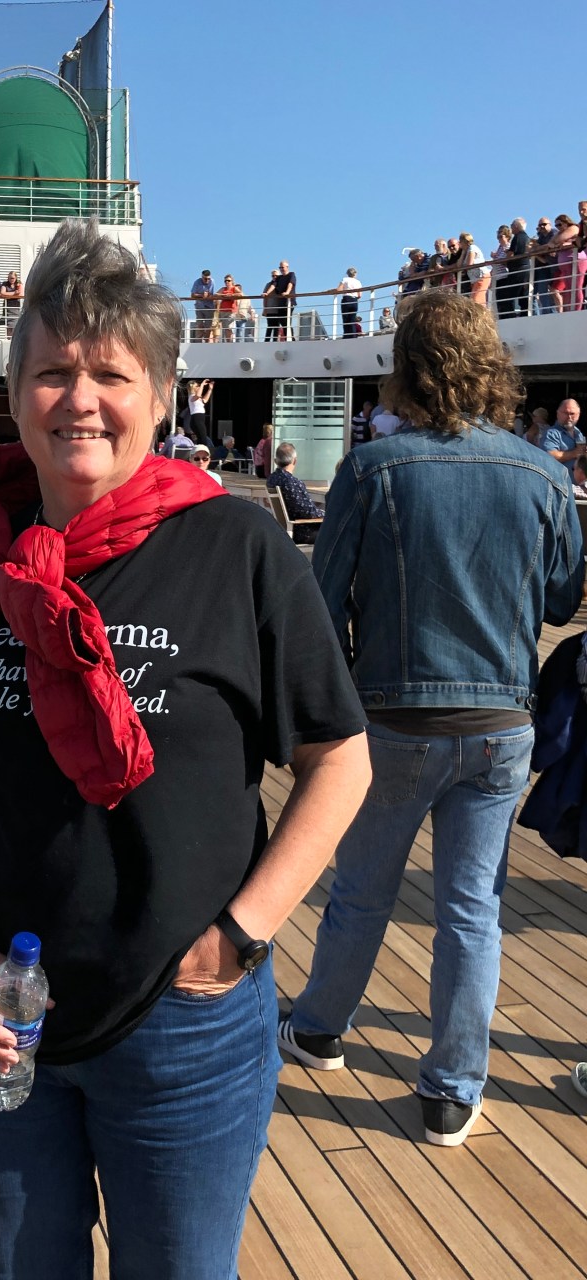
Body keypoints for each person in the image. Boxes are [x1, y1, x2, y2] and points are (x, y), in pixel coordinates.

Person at [0, 218, 371, 1280]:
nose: (80, 398)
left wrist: (239, 936)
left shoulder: (235, 546)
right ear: (15, 395)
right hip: (0, 1015)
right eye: (54, 371)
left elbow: (341, 757)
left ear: (163, 394)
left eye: (111, 373)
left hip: (183, 1025)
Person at [279, 289, 584, 1148]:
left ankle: (318, 1031)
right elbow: (560, 600)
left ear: (405, 371)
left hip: (392, 720)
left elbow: (321, 601)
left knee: (361, 890)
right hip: (501, 723)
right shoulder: (545, 474)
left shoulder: (373, 469)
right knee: (471, 910)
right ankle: (452, 1091)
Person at [266, 442, 325, 542]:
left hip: (284, 529)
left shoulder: (272, 479)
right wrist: (326, 514)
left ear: (276, 461)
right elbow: (307, 512)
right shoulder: (291, 482)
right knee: (338, 532)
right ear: (294, 460)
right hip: (302, 531)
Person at [546, 214, 587, 313]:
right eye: (556, 225)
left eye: (559, 224)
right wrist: (555, 244)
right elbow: (550, 243)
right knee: (568, 288)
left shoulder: (573, 228)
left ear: (566, 222)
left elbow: (558, 240)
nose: (558, 227)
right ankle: (568, 310)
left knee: (576, 287)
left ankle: (576, 310)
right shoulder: (559, 233)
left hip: (576, 259)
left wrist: (556, 244)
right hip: (565, 262)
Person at [540, 399, 584, 475]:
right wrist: (574, 453)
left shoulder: (578, 432)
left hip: (577, 481)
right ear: (558, 414)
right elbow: (548, 456)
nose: (569, 417)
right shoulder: (551, 433)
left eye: (572, 414)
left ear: (578, 414)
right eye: (565, 413)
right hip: (558, 480)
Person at [501, 217, 532, 317]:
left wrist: (504, 261)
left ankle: (509, 316)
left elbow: (511, 254)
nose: (511, 228)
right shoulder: (526, 237)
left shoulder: (517, 237)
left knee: (508, 295)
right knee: (523, 295)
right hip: (525, 268)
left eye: (511, 226)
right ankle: (524, 315)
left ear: (516, 226)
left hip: (518, 270)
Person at [532, 218, 556, 314]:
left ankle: (551, 312)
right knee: (542, 290)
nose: (542, 227)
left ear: (550, 224)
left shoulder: (554, 233)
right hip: (545, 265)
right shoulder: (541, 236)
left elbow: (550, 246)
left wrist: (538, 249)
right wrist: (538, 249)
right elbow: (538, 249)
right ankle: (547, 312)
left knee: (553, 290)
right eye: (540, 225)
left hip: (554, 266)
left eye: (544, 224)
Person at [190, 268, 216, 341]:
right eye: (205, 279)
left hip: (209, 307)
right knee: (199, 324)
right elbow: (192, 295)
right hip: (199, 306)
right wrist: (202, 295)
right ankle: (198, 341)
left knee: (208, 326)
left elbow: (210, 294)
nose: (207, 280)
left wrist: (207, 295)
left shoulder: (212, 281)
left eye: (208, 279)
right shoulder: (197, 282)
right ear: (202, 277)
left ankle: (206, 341)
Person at [336, 267, 363, 337]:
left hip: (347, 299)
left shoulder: (345, 279)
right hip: (354, 301)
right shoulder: (358, 282)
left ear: (347, 273)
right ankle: (353, 336)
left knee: (346, 319)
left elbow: (339, 290)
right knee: (352, 320)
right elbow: (359, 295)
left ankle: (347, 336)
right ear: (355, 274)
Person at [0, 269, 24, 337]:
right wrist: (14, 293)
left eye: (12, 278)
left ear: (16, 278)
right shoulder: (5, 284)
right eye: (9, 278)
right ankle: (9, 338)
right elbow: (2, 293)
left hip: (15, 307)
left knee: (15, 324)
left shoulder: (18, 284)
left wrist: (8, 295)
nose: (11, 280)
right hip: (8, 307)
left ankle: (13, 339)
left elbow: (20, 294)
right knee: (8, 324)